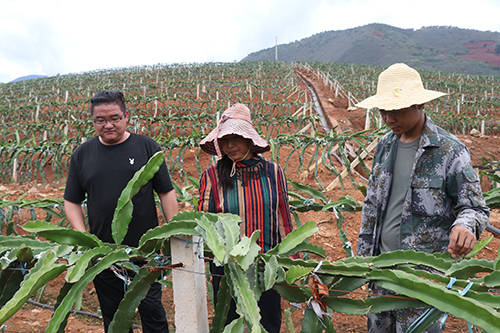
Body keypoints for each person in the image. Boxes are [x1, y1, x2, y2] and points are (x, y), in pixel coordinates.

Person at [355, 63, 489, 332]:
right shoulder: (384, 146)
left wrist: (465, 225)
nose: (389, 118)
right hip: (381, 270)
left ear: (420, 104)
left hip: (423, 279)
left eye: (397, 110)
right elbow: (372, 205)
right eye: (383, 111)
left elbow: (474, 207)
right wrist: (363, 261)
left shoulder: (450, 151)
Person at [64, 89, 178, 333]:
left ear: (126, 116)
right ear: (93, 121)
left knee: (153, 313)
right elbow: (71, 200)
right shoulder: (82, 154)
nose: (108, 125)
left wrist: (174, 230)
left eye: (114, 118)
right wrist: (84, 237)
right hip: (104, 254)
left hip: (145, 251)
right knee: (114, 319)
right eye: (100, 120)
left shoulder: (146, 146)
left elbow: (166, 192)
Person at [197, 103, 294, 332]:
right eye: (225, 140)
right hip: (228, 270)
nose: (230, 145)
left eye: (236, 138)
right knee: (231, 324)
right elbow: (205, 224)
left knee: (268, 323)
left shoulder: (273, 171)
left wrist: (290, 261)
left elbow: (283, 219)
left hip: (267, 265)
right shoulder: (211, 176)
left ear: (250, 138)